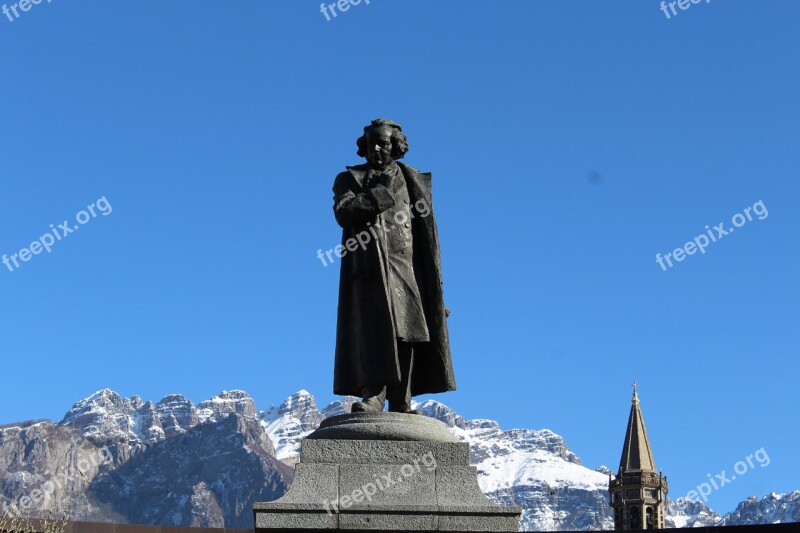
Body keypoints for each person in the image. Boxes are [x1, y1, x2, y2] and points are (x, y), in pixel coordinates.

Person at [331, 118, 455, 414]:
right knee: (373, 331)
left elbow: (428, 238)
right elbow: (344, 212)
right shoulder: (349, 178)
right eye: (371, 143)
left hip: (407, 265)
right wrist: (381, 194)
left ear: (396, 147)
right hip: (369, 268)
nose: (376, 149)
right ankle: (373, 393)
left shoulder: (413, 180)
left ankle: (402, 397)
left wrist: (437, 292)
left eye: (384, 143)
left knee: (409, 331)